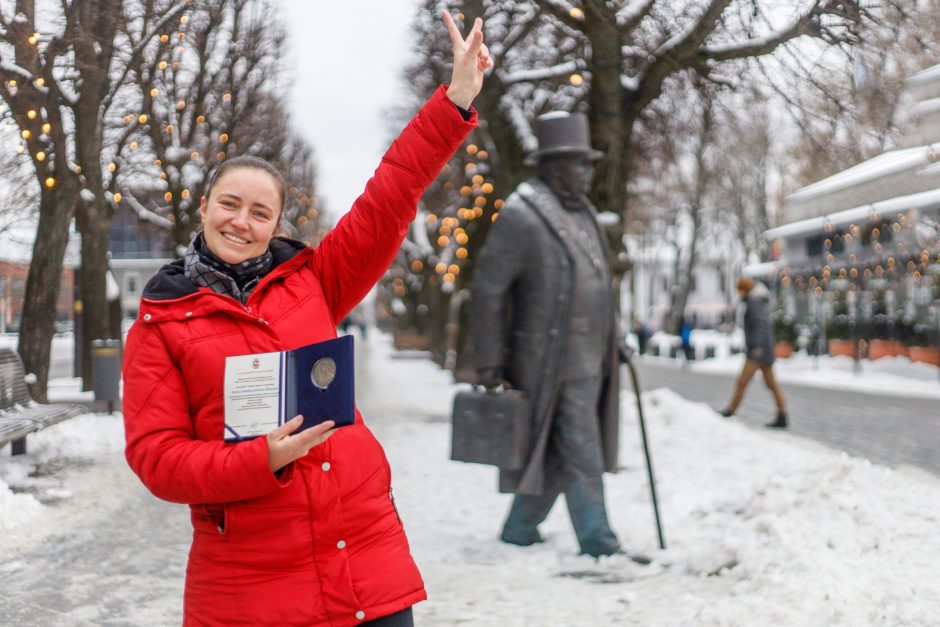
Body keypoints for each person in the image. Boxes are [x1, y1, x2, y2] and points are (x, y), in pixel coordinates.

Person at [121, 13, 490, 626]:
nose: (242, 222)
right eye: (230, 204)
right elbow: (157, 459)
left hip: (361, 556)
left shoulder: (312, 282)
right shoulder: (161, 326)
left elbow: (389, 197)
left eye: (260, 212)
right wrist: (257, 459)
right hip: (252, 580)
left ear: (276, 224)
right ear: (205, 207)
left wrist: (453, 100)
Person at [469, 111, 622, 558]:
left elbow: (599, 281)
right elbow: (488, 290)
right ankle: (599, 541)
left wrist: (617, 336)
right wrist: (490, 362)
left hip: (591, 355)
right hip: (551, 357)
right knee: (582, 448)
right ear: (554, 166)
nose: (589, 173)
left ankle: (520, 527)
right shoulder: (523, 214)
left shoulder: (584, 212)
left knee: (558, 450)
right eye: (581, 164)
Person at [718, 276, 789, 428]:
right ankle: (783, 414)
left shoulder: (753, 302)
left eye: (740, 290)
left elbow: (760, 325)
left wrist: (757, 346)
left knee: (742, 381)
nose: (739, 293)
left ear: (744, 289)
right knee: (771, 383)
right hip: (764, 350)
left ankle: (731, 410)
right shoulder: (756, 300)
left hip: (757, 352)